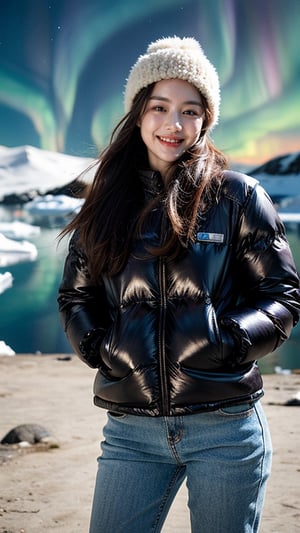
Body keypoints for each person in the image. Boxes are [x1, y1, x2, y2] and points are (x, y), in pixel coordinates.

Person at [58, 36, 300, 533]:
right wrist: (100, 347)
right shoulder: (105, 203)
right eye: (160, 107)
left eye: (190, 111)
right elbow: (77, 295)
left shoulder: (236, 195)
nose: (174, 124)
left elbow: (282, 296)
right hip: (130, 431)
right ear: (138, 113)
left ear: (206, 119)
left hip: (225, 427)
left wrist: (228, 341)